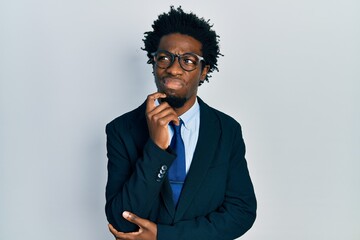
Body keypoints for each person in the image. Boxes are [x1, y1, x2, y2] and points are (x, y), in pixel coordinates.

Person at [105, 6, 257, 240]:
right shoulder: (122, 130)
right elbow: (121, 220)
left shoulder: (226, 130)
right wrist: (156, 148)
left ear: (204, 71)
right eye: (165, 58)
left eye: (188, 61)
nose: (174, 69)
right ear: (154, 63)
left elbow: (241, 212)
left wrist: (164, 236)